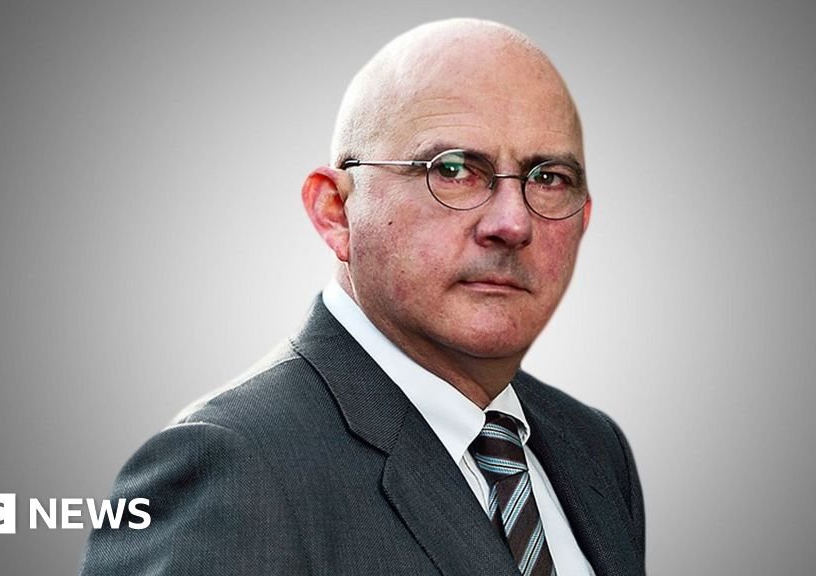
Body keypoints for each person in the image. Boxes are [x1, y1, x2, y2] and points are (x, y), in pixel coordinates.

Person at [81, 18, 645, 576]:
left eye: (549, 179)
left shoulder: (593, 447)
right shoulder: (232, 467)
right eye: (453, 170)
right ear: (335, 212)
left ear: (583, 218)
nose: (512, 223)